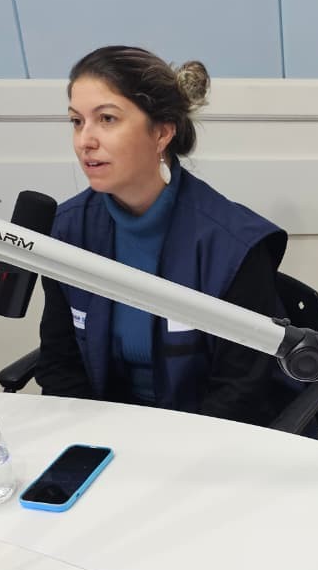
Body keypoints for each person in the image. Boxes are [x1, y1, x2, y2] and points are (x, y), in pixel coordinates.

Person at [35, 45, 302, 430]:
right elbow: (62, 365)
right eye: (77, 121)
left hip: (207, 440)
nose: (85, 141)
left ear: (161, 133)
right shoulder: (68, 229)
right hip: (109, 437)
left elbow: (241, 392)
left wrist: (168, 456)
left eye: (106, 119)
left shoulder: (234, 244)